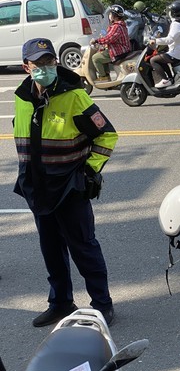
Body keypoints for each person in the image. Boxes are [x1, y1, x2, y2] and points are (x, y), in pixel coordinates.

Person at [13, 38, 118, 327]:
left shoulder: (74, 95)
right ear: (26, 67)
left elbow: (107, 135)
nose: (46, 67)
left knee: (83, 248)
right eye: (39, 63)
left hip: (70, 187)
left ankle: (102, 305)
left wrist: (89, 171)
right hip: (38, 188)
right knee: (51, 250)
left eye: (50, 61)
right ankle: (60, 303)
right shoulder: (21, 97)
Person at [148, 1, 180, 89]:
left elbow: (169, 39)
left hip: (177, 53)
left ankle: (165, 80)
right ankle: (170, 78)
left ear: (173, 13)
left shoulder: (177, 24)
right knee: (160, 56)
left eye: (170, 11)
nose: (168, 13)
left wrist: (155, 40)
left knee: (153, 60)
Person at [90, 5, 131, 82]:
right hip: (121, 49)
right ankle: (106, 75)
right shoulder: (120, 25)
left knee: (95, 58)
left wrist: (96, 40)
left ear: (114, 16)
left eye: (110, 14)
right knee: (101, 53)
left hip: (118, 51)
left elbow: (109, 38)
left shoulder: (117, 26)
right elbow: (110, 37)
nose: (109, 16)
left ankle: (103, 76)